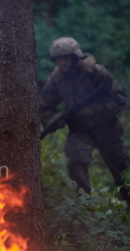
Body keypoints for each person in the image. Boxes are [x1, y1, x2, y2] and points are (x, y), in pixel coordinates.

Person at [39, 36, 129, 204]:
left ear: (75, 57)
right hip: (79, 129)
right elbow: (44, 106)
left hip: (106, 127)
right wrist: (56, 119)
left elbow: (119, 98)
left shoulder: (95, 72)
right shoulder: (56, 79)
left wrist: (92, 112)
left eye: (66, 58)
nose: (63, 62)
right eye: (59, 58)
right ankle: (85, 208)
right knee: (75, 161)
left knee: (121, 169)